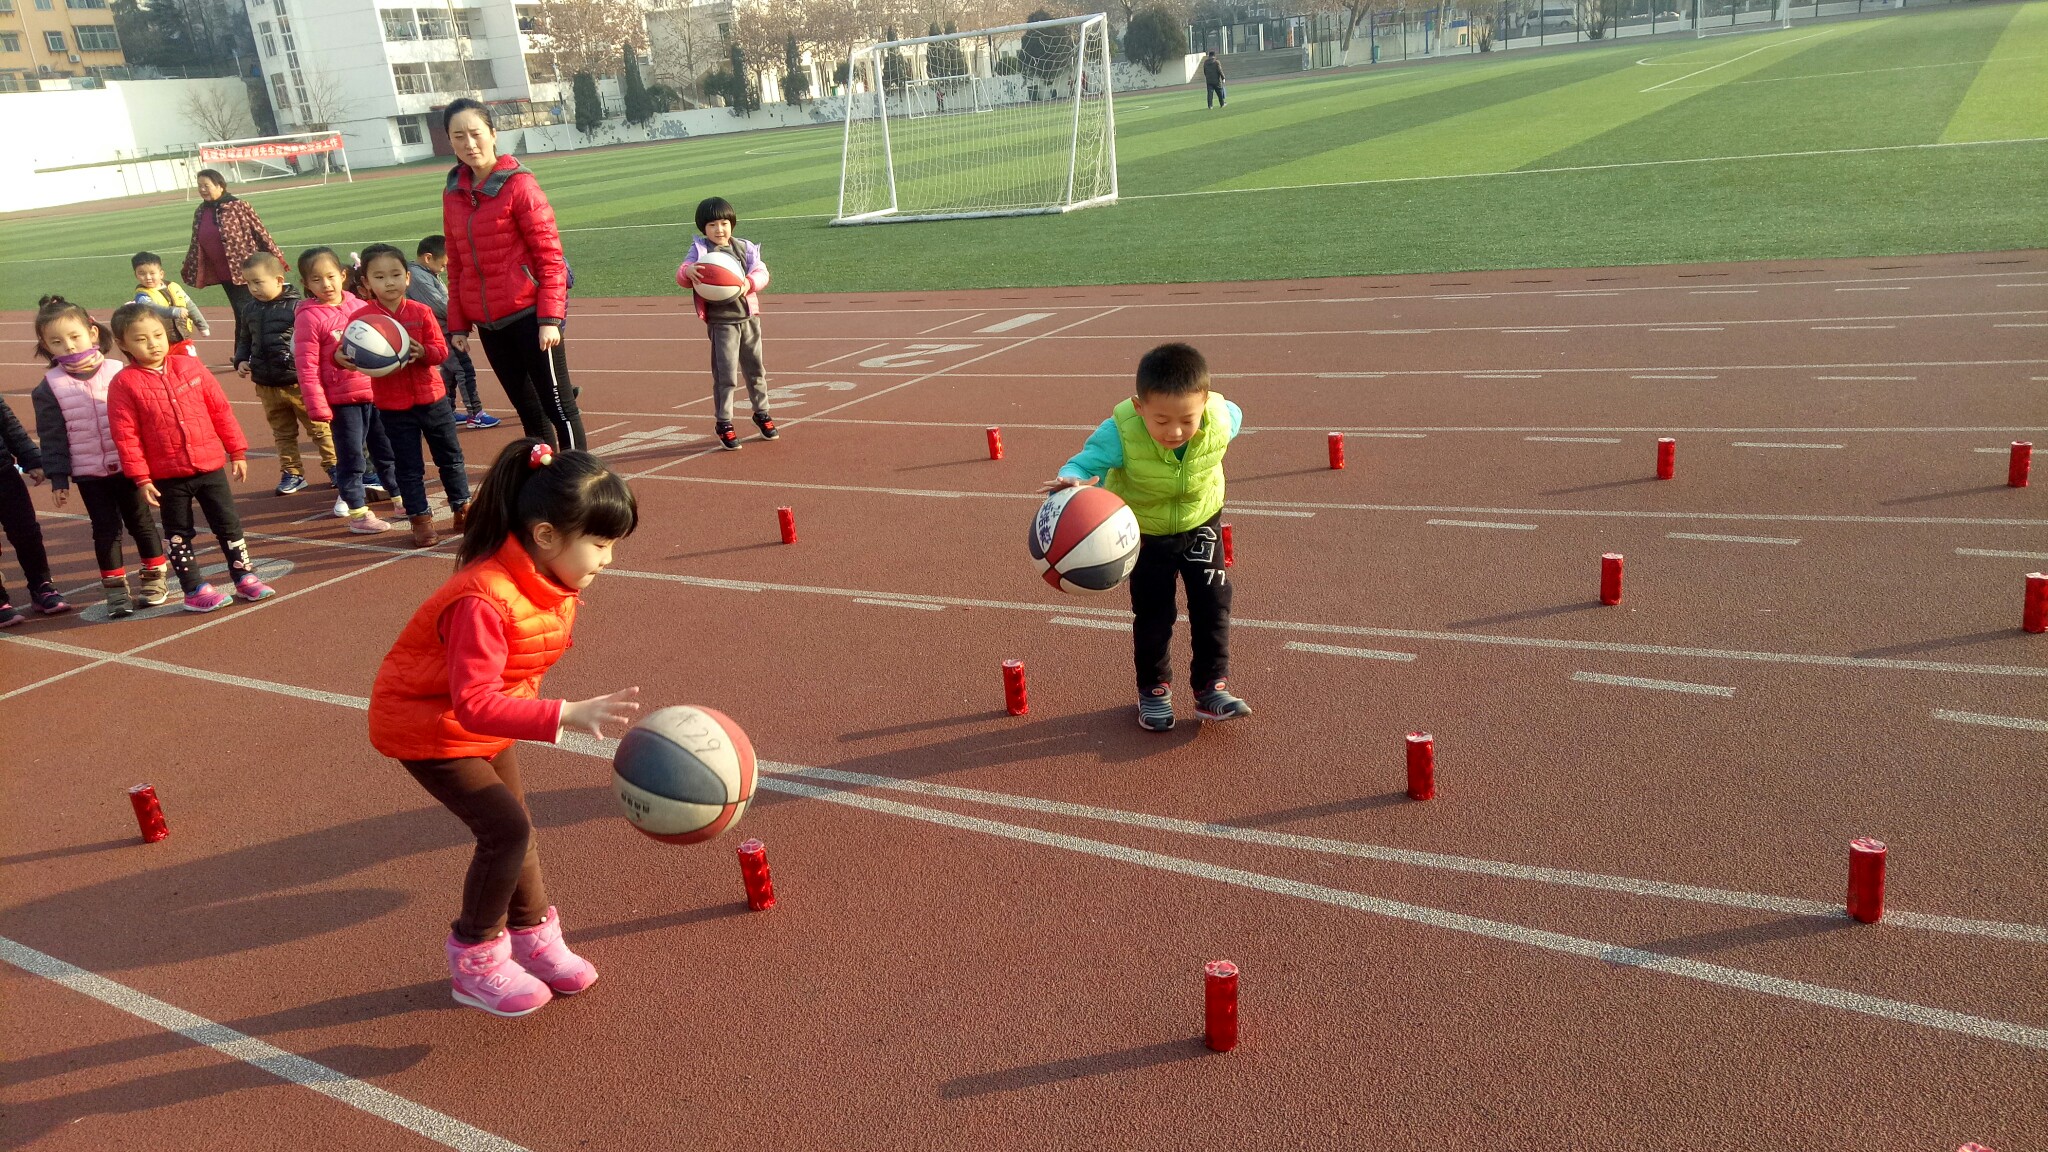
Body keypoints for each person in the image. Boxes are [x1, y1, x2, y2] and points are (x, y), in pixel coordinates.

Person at [368, 437, 641, 1018]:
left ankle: (533, 938)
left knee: (519, 830)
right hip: (430, 729)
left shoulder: (543, 578)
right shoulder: (484, 598)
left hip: (482, 720)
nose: (608, 559)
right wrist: (566, 713)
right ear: (546, 535)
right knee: (506, 831)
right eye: (599, 545)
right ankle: (474, 958)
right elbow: (472, 704)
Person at [1046, 343, 1250, 731]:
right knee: (1155, 614)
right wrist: (1071, 480)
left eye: (1187, 419)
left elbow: (1233, 413)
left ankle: (1211, 688)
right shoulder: (1120, 433)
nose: (1175, 431)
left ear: (1205, 402)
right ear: (1139, 407)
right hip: (1144, 534)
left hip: (1201, 523)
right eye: (1161, 420)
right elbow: (1083, 464)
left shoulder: (1222, 418)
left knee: (1213, 604)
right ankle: (1154, 690)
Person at [105, 303, 276, 612]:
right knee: (178, 533)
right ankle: (193, 588)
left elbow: (220, 410)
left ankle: (244, 576)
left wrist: (236, 450)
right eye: (141, 339)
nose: (153, 344)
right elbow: (126, 435)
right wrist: (141, 477)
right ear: (122, 344)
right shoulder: (124, 383)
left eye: (158, 335)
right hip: (167, 475)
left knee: (228, 525)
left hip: (209, 466)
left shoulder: (190, 367)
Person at [439, 98, 586, 450]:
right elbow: (456, 263)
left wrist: (549, 319)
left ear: (493, 134)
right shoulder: (453, 193)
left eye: (476, 133)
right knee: (529, 413)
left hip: (530, 316)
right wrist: (458, 324)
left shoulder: (520, 186)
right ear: (450, 142)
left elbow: (550, 258)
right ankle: (544, 473)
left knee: (560, 408)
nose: (469, 144)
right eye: (459, 136)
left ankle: (578, 474)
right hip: (491, 325)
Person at [29, 296, 169, 618]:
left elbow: (144, 419)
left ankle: (154, 578)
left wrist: (152, 461)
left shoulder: (120, 371)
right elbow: (52, 437)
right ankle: (116, 592)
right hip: (89, 472)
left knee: (142, 523)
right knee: (105, 531)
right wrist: (59, 478)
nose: (68, 345)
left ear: (92, 333)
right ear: (46, 346)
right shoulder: (49, 387)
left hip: (128, 467)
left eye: (74, 336)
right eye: (57, 342)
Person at [340, 244, 470, 549]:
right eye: (380, 277)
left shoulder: (420, 312)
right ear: (366, 283)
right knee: (408, 467)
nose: (389, 282)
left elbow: (441, 352)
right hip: (393, 406)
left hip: (433, 399)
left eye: (396, 275)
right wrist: (339, 356)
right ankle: (420, 519)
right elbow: (346, 351)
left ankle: (462, 508)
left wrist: (424, 352)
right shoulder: (361, 320)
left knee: (451, 458)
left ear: (407, 278)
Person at [295, 247, 398, 532]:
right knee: (352, 457)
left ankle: (400, 498)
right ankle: (358, 514)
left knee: (386, 450)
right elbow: (306, 365)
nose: (326, 284)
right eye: (316, 279)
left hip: (374, 393)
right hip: (343, 401)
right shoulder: (308, 317)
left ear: (342, 275)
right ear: (306, 283)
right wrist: (317, 405)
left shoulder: (359, 306)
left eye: (330, 276)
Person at [676, 196, 776, 452]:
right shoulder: (700, 251)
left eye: (724, 223)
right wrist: (687, 272)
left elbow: (762, 272)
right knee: (726, 376)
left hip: (749, 319)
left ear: (732, 224)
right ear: (703, 228)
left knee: (756, 370)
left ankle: (761, 412)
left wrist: (749, 283)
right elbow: (683, 273)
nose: (719, 229)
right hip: (722, 324)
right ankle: (724, 422)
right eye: (712, 225)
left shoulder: (744, 247)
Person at [233, 252, 337, 496]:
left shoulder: (298, 307)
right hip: (266, 384)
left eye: (258, 282)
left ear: (279, 280)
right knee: (282, 433)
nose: (253, 288)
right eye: (248, 283)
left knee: (319, 429)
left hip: (298, 383)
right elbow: (244, 339)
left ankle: (334, 466)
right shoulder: (249, 309)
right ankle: (292, 472)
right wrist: (241, 360)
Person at [181, 169, 284, 345]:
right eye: (199, 186)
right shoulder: (201, 211)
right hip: (223, 273)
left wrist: (277, 258)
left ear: (220, 186)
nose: (202, 189)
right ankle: (249, 350)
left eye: (206, 185)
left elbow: (260, 233)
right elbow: (195, 242)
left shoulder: (238, 206)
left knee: (245, 311)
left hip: (244, 270)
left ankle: (248, 350)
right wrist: (190, 266)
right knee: (243, 311)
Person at [408, 235, 500, 430]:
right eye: (443, 265)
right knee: (464, 369)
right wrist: (464, 317)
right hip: (442, 331)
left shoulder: (426, 273)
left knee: (450, 372)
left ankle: (447, 411)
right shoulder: (417, 276)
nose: (444, 269)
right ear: (428, 258)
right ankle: (475, 414)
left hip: (445, 329)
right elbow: (440, 305)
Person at [1, 398, 71, 627]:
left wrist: (32, 460)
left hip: (4, 474)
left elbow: (10, 427)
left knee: (27, 532)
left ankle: (41, 585)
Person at [132, 251, 208, 360]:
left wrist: (202, 325)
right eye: (142, 274)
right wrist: (173, 311)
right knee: (166, 365)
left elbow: (190, 305)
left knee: (190, 363)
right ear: (136, 275)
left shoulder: (174, 287)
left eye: (152, 273)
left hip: (183, 337)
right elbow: (152, 307)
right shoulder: (142, 295)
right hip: (161, 342)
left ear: (161, 273)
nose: (148, 277)